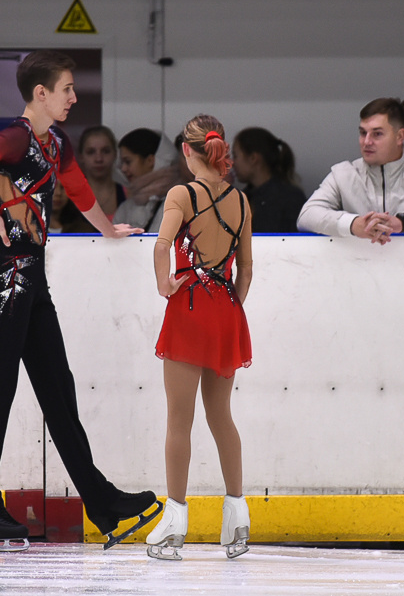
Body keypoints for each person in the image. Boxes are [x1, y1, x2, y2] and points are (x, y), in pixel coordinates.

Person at [0, 50, 160, 552]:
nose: (73, 97)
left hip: (31, 276)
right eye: (66, 89)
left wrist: (109, 229)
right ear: (41, 93)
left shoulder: (55, 142)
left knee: (59, 389)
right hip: (6, 275)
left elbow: (80, 191)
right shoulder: (14, 138)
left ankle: (101, 502)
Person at [146, 114, 253, 561]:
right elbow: (245, 269)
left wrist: (163, 282)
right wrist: (232, 307)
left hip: (189, 305)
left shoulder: (182, 193)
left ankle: (174, 524)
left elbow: (160, 243)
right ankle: (238, 518)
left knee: (179, 420)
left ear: (188, 152)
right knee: (221, 417)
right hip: (226, 309)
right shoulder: (241, 200)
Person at [297, 97, 404, 243]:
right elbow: (306, 215)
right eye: (363, 133)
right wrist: (352, 224)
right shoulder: (343, 174)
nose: (366, 142)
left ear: (400, 136)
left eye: (377, 134)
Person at [232, 127, 307, 232]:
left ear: (253, 158)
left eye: (235, 156)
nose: (232, 163)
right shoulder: (242, 199)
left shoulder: (290, 199)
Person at [113, 128, 181, 233]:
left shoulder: (178, 202)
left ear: (150, 160)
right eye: (122, 163)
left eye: (128, 161)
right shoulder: (126, 208)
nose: (123, 169)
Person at [78, 126, 126, 220]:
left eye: (105, 151)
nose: (99, 159)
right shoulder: (67, 197)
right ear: (81, 157)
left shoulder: (129, 195)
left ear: (115, 154)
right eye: (91, 152)